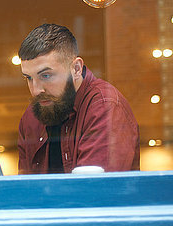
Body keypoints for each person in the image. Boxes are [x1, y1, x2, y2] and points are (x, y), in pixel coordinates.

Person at [17, 24, 139, 174]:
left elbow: (94, 192)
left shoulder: (105, 106)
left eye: (46, 76)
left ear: (76, 69)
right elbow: (23, 189)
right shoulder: (31, 117)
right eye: (29, 78)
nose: (36, 91)